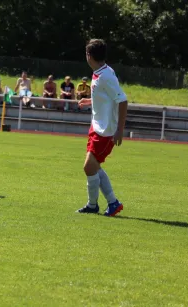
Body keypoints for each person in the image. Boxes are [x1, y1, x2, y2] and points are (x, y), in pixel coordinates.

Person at [77, 39, 128, 217]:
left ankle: (101, 204)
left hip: (106, 131)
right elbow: (104, 96)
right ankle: (105, 204)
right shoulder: (100, 71)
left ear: (89, 55)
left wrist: (120, 130)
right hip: (96, 126)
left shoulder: (106, 75)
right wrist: (90, 101)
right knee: (94, 167)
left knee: (89, 167)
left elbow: (122, 100)